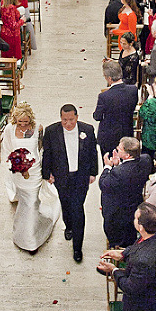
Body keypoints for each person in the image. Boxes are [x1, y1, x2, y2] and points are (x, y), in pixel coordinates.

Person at [42, 105, 98, 263]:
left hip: (80, 177)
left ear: (77, 117)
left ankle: (77, 248)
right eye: (64, 120)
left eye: (71, 120)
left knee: (78, 209)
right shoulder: (52, 131)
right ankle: (68, 226)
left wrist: (93, 172)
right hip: (62, 177)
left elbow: (93, 152)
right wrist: (47, 174)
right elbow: (48, 153)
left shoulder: (87, 130)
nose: (68, 123)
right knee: (65, 204)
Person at [2, 102, 60, 254]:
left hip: (34, 171)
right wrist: (14, 166)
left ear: (31, 119)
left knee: (32, 201)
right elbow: (7, 149)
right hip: (18, 171)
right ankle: (25, 234)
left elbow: (41, 150)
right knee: (24, 202)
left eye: (25, 122)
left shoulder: (38, 128)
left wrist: (46, 171)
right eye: (20, 122)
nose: (22, 125)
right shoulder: (9, 129)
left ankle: (31, 239)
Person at [99, 137, 153, 248]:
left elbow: (103, 184)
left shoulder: (118, 173)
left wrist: (108, 166)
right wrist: (118, 165)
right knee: (131, 237)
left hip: (118, 213)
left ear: (127, 155)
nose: (117, 150)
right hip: (134, 206)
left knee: (119, 241)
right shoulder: (146, 160)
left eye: (119, 150)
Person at [93, 60, 139, 158]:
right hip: (126, 132)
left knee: (109, 164)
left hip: (109, 137)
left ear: (109, 78)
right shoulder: (133, 90)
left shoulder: (104, 96)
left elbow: (97, 116)